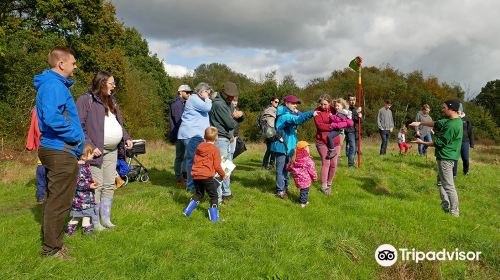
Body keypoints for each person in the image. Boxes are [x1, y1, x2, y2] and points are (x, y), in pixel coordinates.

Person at [35, 47, 85, 259]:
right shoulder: (54, 85)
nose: (75, 67)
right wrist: (75, 135)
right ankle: (51, 249)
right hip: (60, 149)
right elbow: (52, 118)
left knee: (55, 199)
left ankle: (52, 243)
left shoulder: (52, 84)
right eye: (73, 63)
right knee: (60, 201)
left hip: (57, 148)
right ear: (61, 63)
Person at [76, 71, 132, 231]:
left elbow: (118, 123)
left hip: (112, 150)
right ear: (102, 83)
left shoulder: (111, 101)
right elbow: (79, 127)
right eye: (111, 83)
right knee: (97, 185)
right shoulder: (85, 100)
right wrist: (91, 146)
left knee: (109, 185)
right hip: (95, 151)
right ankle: (95, 222)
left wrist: (126, 137)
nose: (114, 87)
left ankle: (106, 219)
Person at [410, 99, 463, 217]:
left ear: (451, 108)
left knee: (448, 186)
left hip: (445, 158)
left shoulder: (452, 126)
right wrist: (420, 123)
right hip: (445, 157)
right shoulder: (452, 120)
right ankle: (446, 206)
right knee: (440, 182)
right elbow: (437, 123)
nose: (442, 109)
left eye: (444, 107)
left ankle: (454, 213)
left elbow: (439, 143)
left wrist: (422, 143)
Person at [271, 95, 316, 199]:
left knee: (287, 168)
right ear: (287, 103)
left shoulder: (289, 113)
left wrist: (296, 111)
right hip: (281, 146)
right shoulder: (284, 116)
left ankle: (285, 187)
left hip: (289, 147)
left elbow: (298, 115)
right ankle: (280, 190)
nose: (295, 105)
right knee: (281, 169)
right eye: (293, 103)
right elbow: (298, 120)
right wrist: (311, 113)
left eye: (296, 104)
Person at [182, 127, 227, 222]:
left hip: (196, 175)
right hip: (207, 176)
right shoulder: (215, 149)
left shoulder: (199, 147)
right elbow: (217, 166)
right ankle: (214, 219)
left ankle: (187, 211)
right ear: (216, 137)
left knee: (199, 194)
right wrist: (223, 175)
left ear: (204, 136)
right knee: (214, 196)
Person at [209, 81, 243, 202]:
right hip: (221, 139)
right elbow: (230, 124)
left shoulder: (227, 103)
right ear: (225, 94)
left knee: (225, 168)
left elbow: (238, 116)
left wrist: (239, 115)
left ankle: (223, 194)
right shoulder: (219, 105)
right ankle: (217, 199)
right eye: (230, 95)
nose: (232, 98)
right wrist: (235, 117)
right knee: (220, 170)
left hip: (226, 139)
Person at [177, 82, 213, 192]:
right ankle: (191, 187)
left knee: (192, 160)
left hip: (192, 134)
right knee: (192, 161)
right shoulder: (194, 99)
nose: (209, 95)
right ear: (202, 91)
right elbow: (207, 108)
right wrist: (207, 98)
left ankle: (193, 184)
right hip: (191, 135)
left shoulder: (196, 100)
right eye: (208, 93)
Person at [314, 94, 353, 194]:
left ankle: (329, 184)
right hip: (322, 141)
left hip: (335, 142)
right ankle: (323, 186)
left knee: (334, 164)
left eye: (325, 104)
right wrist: (334, 126)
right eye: (321, 104)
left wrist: (356, 115)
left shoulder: (335, 109)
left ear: (329, 103)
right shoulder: (317, 112)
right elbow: (320, 126)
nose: (323, 106)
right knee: (326, 163)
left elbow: (346, 115)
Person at [65, 145, 98, 235]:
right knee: (81, 215)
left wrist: (91, 181)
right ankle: (81, 232)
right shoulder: (80, 168)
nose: (92, 155)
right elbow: (78, 183)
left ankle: (73, 232)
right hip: (81, 198)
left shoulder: (84, 166)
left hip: (84, 198)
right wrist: (89, 185)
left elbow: (84, 179)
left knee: (82, 215)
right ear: (84, 156)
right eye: (90, 154)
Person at [169, 84, 192, 185]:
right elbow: (180, 121)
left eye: (190, 92)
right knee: (180, 157)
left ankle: (184, 176)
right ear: (180, 92)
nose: (189, 94)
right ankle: (179, 178)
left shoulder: (184, 103)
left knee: (185, 156)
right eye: (187, 92)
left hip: (183, 133)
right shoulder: (177, 104)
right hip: (179, 134)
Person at [286, 141, 318, 207]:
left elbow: (289, 167)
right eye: (307, 148)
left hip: (297, 179)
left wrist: (288, 169)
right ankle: (303, 203)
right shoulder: (307, 160)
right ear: (305, 149)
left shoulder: (295, 158)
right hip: (305, 179)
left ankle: (304, 200)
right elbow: (312, 170)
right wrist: (315, 177)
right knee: (305, 191)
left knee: (303, 190)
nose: (308, 149)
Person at [453, 103, 474, 177]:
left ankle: (466, 171)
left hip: (465, 141)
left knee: (465, 158)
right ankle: (454, 174)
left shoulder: (466, 119)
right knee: (454, 158)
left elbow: (470, 131)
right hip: (455, 141)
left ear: (461, 110)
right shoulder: (454, 118)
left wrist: (472, 143)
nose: (458, 111)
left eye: (459, 109)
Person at [345, 94, 362, 167]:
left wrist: (360, 117)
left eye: (353, 100)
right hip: (349, 131)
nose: (352, 101)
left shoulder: (356, 109)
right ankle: (350, 164)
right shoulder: (346, 109)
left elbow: (360, 121)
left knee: (355, 149)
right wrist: (356, 112)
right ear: (348, 101)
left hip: (356, 131)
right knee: (352, 147)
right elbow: (349, 118)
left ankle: (351, 160)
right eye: (351, 100)